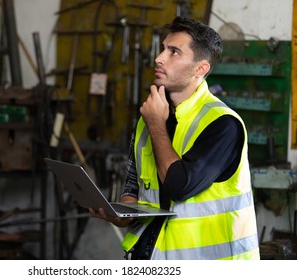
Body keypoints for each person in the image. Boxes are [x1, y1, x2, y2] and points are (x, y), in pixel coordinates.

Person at [89, 16, 260, 260]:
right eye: (162, 49)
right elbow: (133, 186)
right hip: (150, 255)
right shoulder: (150, 116)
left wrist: (157, 124)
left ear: (200, 69)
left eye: (174, 52)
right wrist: (122, 214)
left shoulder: (222, 124)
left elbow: (179, 186)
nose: (159, 58)